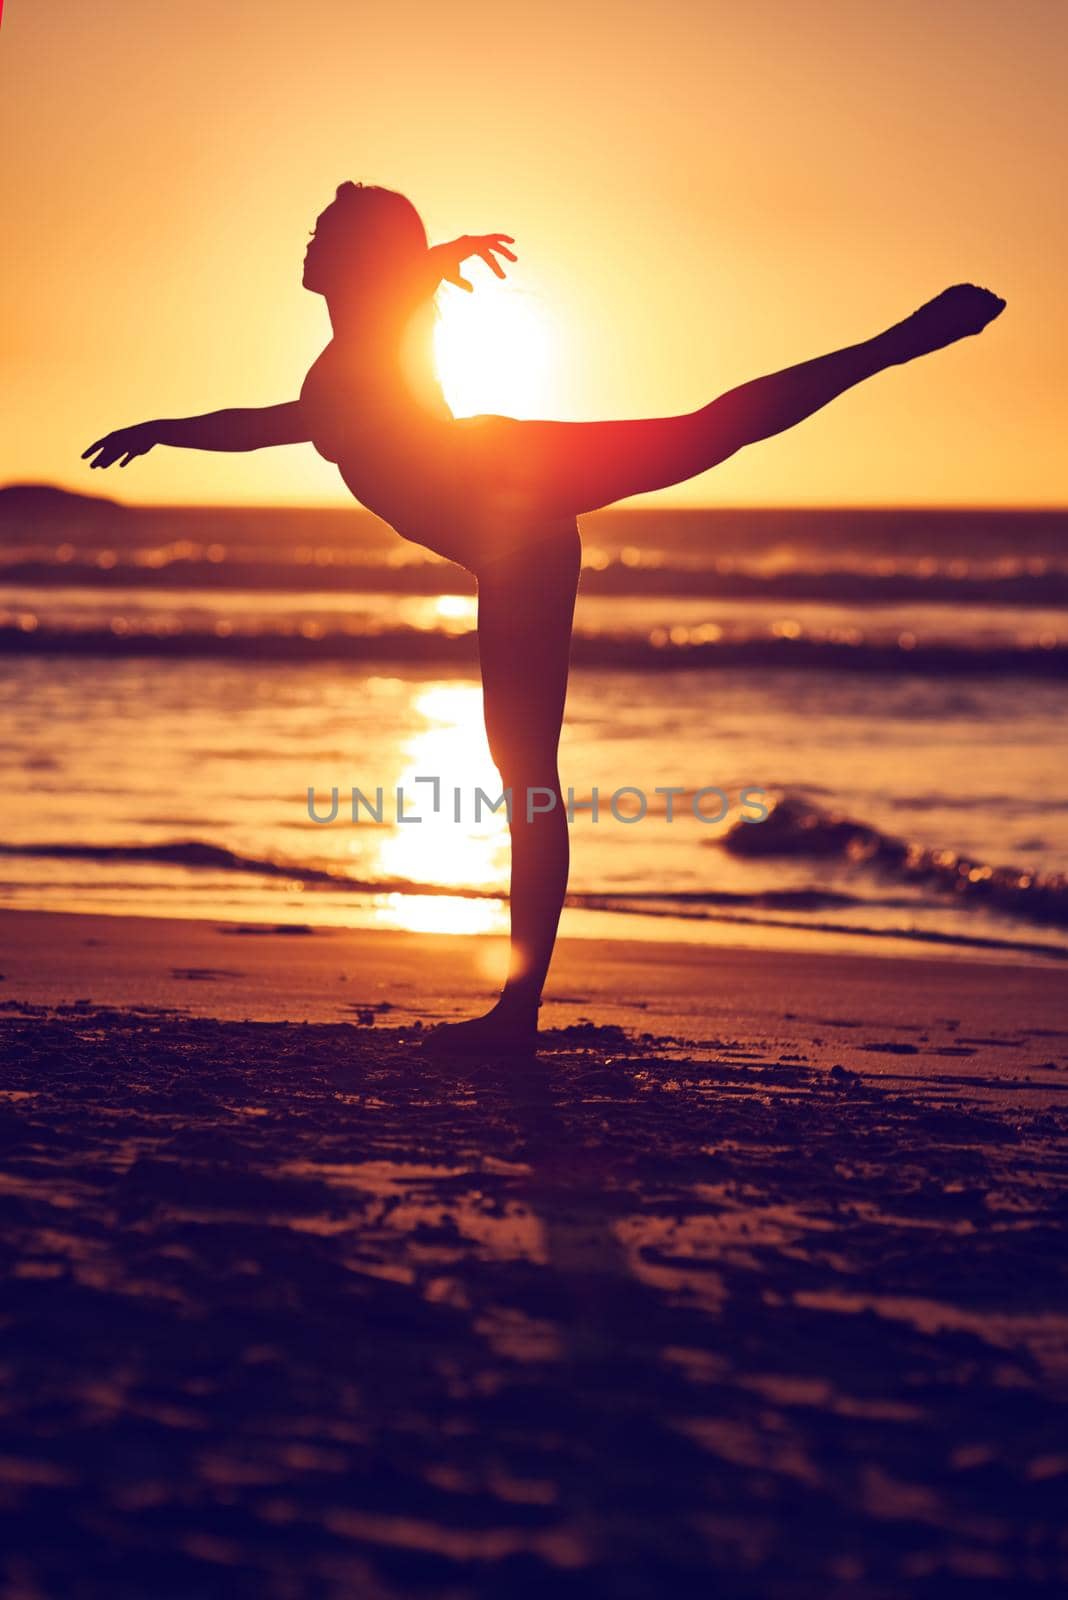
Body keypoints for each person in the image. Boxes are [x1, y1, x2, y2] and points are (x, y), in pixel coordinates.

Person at [83, 181, 1005, 1053]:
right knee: (526, 769)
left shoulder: (370, 340)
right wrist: (428, 256)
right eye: (317, 225)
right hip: (508, 536)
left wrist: (171, 425)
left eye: (328, 230)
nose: (310, 238)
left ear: (362, 258)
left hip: (509, 488)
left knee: (705, 435)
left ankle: (901, 341)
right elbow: (340, 353)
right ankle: (516, 1008)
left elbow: (281, 418)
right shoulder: (369, 328)